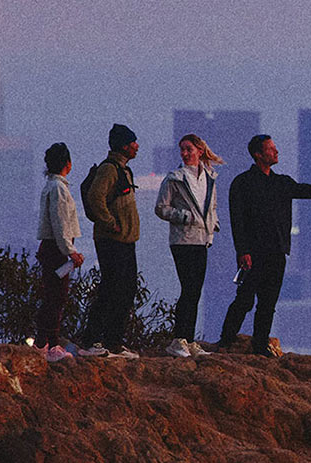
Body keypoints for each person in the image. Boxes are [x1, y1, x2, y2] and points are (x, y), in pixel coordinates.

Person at [218, 133, 311, 356]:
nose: (276, 151)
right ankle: (225, 342)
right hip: (253, 253)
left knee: (268, 302)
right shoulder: (242, 183)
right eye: (271, 148)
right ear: (258, 155)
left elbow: (308, 191)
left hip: (277, 252)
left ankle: (260, 345)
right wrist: (242, 251)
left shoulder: (281, 182)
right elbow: (237, 220)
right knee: (244, 300)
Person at [154, 132, 224, 357]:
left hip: (202, 240)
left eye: (188, 149)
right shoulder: (174, 178)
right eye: (182, 149)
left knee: (195, 290)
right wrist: (184, 216)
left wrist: (211, 230)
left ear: (199, 151)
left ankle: (189, 339)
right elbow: (161, 208)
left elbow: (211, 207)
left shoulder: (210, 177)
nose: (184, 153)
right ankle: (178, 339)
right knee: (188, 288)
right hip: (182, 239)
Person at [78, 123, 144, 357]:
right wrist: (110, 223)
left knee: (126, 290)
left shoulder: (124, 170)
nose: (137, 146)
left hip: (126, 241)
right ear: (124, 145)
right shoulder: (109, 169)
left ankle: (114, 341)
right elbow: (96, 198)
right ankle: (92, 341)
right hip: (112, 241)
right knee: (110, 290)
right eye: (133, 142)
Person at [35, 142, 85, 362]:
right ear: (68, 164)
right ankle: (50, 345)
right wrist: (70, 251)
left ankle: (43, 342)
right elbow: (60, 223)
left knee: (52, 296)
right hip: (56, 249)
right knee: (56, 297)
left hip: (52, 248)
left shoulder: (52, 186)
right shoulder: (58, 188)